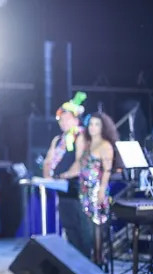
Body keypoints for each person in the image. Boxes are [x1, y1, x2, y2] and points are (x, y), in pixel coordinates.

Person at [60, 112, 118, 264]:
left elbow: (107, 171)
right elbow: (79, 164)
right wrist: (65, 175)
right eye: (91, 124)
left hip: (97, 189)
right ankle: (86, 259)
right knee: (84, 226)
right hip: (83, 188)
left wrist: (102, 190)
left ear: (102, 127)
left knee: (96, 227)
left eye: (96, 124)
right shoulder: (86, 143)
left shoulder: (105, 145)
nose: (93, 127)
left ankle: (98, 260)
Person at [44, 92, 92, 257]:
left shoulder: (80, 136)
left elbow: (80, 161)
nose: (63, 122)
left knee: (81, 227)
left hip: (77, 188)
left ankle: (87, 260)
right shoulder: (58, 140)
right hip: (61, 189)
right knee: (69, 225)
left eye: (66, 118)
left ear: (75, 119)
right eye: (61, 119)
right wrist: (48, 176)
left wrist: (65, 175)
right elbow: (48, 161)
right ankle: (74, 259)